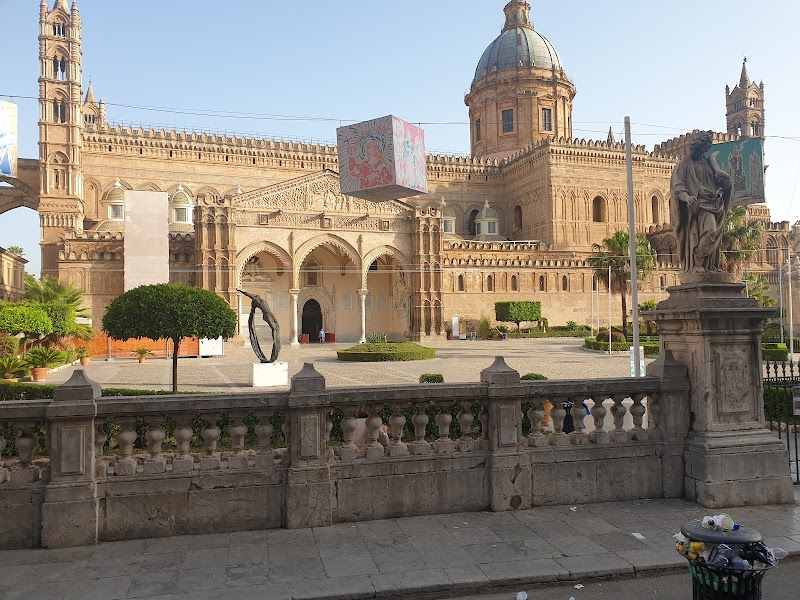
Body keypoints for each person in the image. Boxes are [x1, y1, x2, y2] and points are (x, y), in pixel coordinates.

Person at [669, 131, 732, 274]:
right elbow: (677, 186)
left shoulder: (710, 163)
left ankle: (710, 266)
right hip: (697, 207)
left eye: (709, 145)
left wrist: (725, 179)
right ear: (698, 145)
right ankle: (697, 263)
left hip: (714, 203)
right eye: (706, 145)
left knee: (715, 235)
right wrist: (685, 197)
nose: (708, 148)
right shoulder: (684, 164)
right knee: (709, 231)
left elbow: (721, 184)